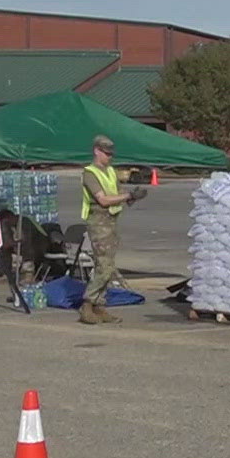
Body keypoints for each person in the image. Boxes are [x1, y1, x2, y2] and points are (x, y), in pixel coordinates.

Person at [79, 135, 146, 324]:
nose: (109, 157)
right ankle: (88, 303)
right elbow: (103, 199)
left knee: (107, 266)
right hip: (98, 222)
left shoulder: (110, 172)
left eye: (111, 154)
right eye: (106, 154)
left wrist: (134, 196)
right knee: (105, 266)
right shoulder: (90, 173)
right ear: (96, 151)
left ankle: (99, 306)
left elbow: (117, 194)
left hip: (111, 222)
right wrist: (127, 196)